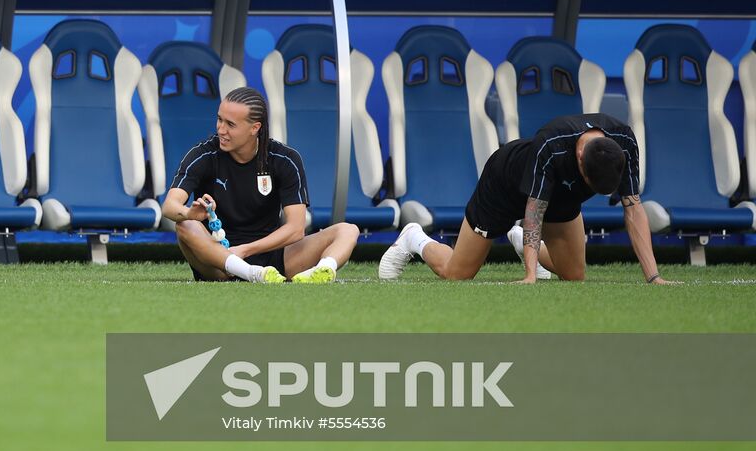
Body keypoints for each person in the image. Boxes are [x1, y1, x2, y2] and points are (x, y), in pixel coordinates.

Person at [378, 112, 675, 284]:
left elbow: (633, 208)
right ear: (581, 156)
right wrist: (530, 275)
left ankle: (522, 242)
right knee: (457, 273)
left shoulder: (623, 141)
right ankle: (414, 238)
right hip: (503, 186)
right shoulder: (552, 143)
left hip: (562, 195)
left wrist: (654, 277)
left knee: (574, 276)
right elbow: (534, 210)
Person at [162, 87, 361, 284]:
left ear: (255, 128)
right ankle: (250, 273)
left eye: (230, 124)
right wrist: (189, 214)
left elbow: (296, 229)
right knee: (185, 225)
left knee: (348, 230)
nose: (221, 129)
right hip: (219, 261)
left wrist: (247, 249)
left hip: (273, 259)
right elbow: (169, 206)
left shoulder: (285, 159)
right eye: (219, 119)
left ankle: (322, 271)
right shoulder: (203, 154)